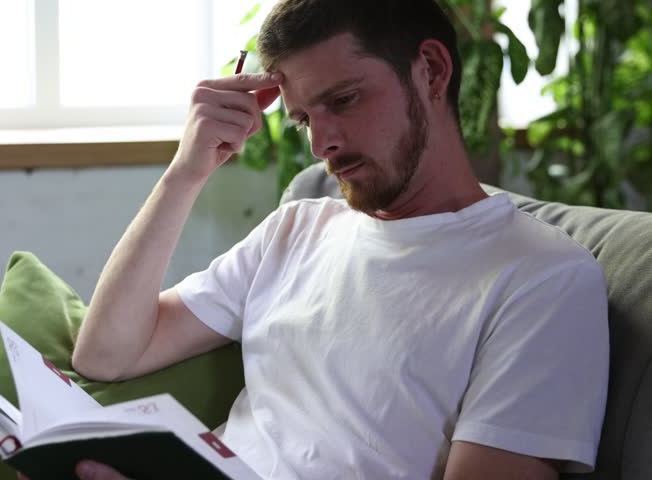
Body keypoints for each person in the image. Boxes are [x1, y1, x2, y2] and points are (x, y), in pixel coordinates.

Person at [62, 1, 610, 479]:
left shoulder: (544, 277)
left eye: (344, 100)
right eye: (302, 119)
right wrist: (185, 174)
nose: (322, 142)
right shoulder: (295, 230)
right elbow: (107, 354)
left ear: (432, 71)